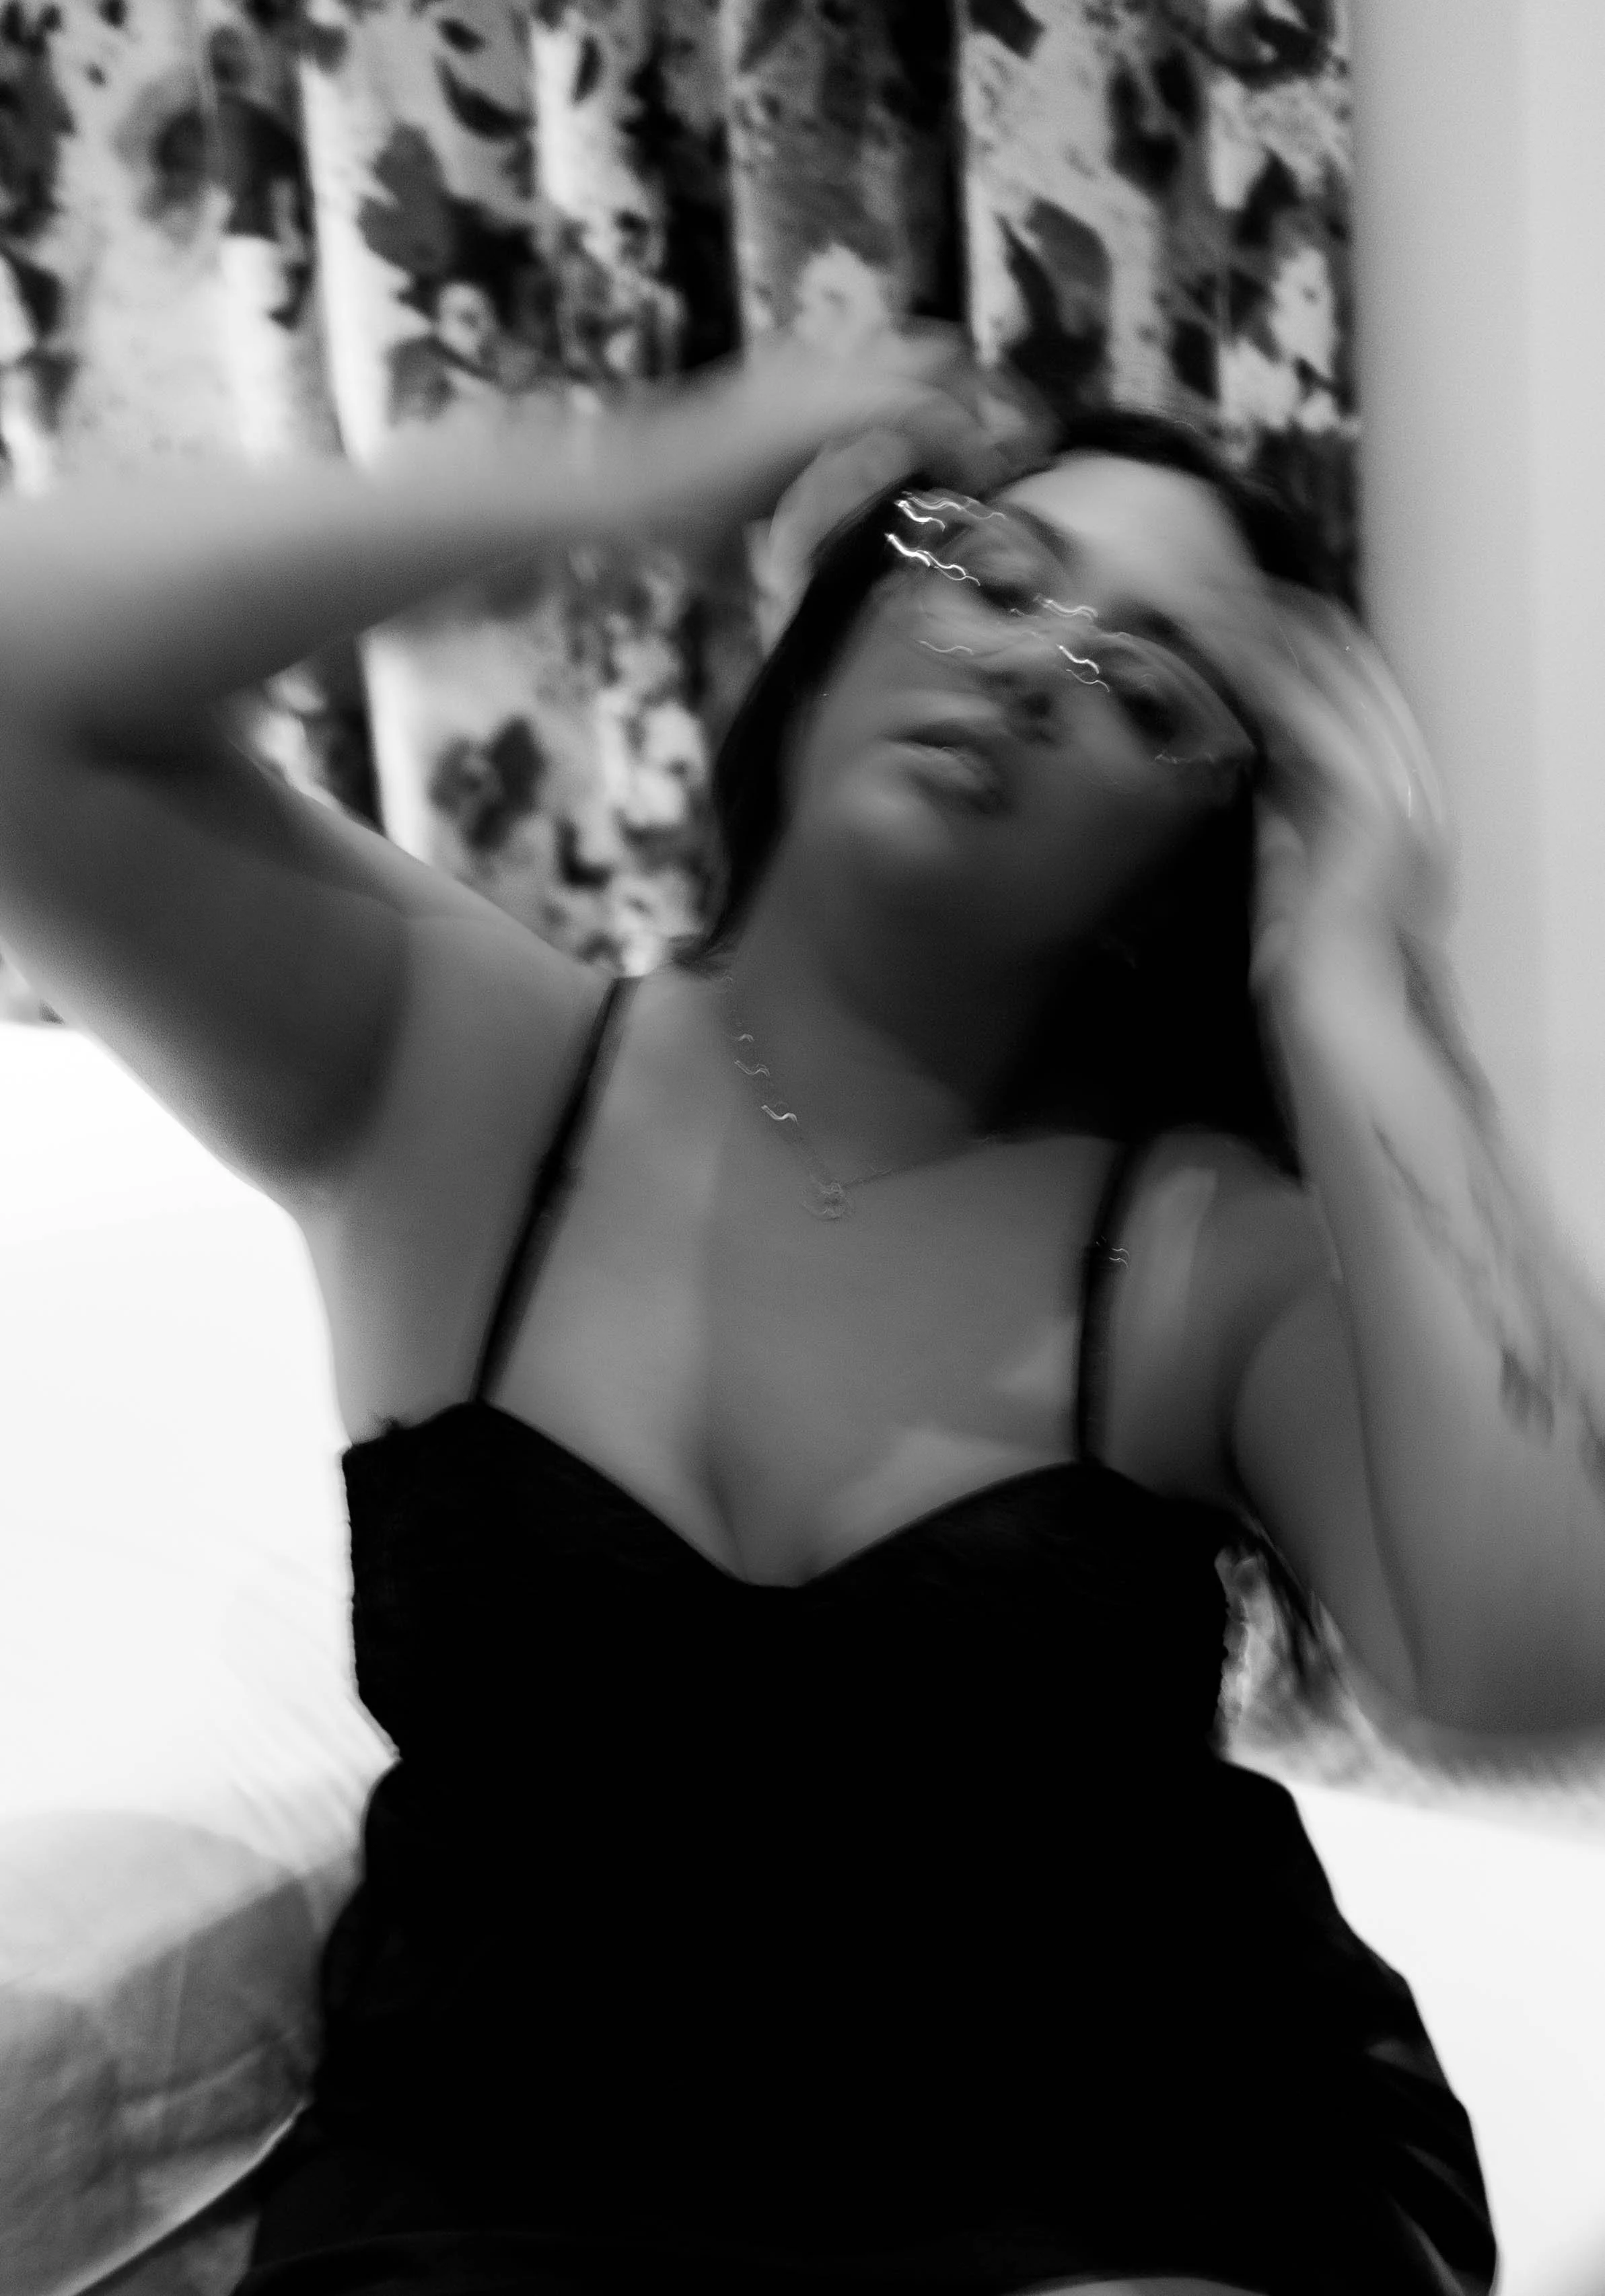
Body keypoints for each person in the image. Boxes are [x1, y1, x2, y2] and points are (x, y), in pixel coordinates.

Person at [4, 328, 1604, 2296]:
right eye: (989, 570)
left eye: (1146, 687)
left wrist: (1355, 979)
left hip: (1124, 2174)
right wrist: (625, 478)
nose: (1032, 664)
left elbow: (1536, 1657)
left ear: (1179, 856)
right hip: (499, 2183)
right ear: (837, 628)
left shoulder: (1194, 1248)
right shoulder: (459, 1080)